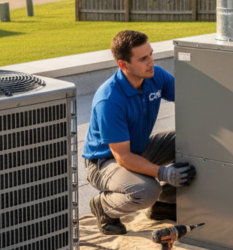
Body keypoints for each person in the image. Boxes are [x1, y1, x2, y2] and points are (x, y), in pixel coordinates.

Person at [83, 30, 196, 235]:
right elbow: (122, 156)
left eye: (151, 54)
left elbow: (189, 96)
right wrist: (163, 173)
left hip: (139, 148)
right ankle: (103, 206)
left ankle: (164, 205)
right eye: (143, 59)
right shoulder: (109, 100)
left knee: (190, 140)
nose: (151, 62)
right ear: (123, 65)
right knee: (147, 191)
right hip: (104, 162)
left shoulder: (155, 75)